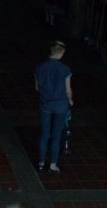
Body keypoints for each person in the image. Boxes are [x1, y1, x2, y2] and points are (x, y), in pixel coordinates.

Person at [34, 41, 73, 174]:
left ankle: (40, 163)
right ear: (61, 53)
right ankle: (52, 165)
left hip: (45, 104)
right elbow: (68, 90)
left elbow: (37, 87)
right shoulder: (65, 69)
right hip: (61, 105)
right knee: (56, 135)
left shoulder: (39, 67)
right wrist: (71, 100)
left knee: (45, 134)